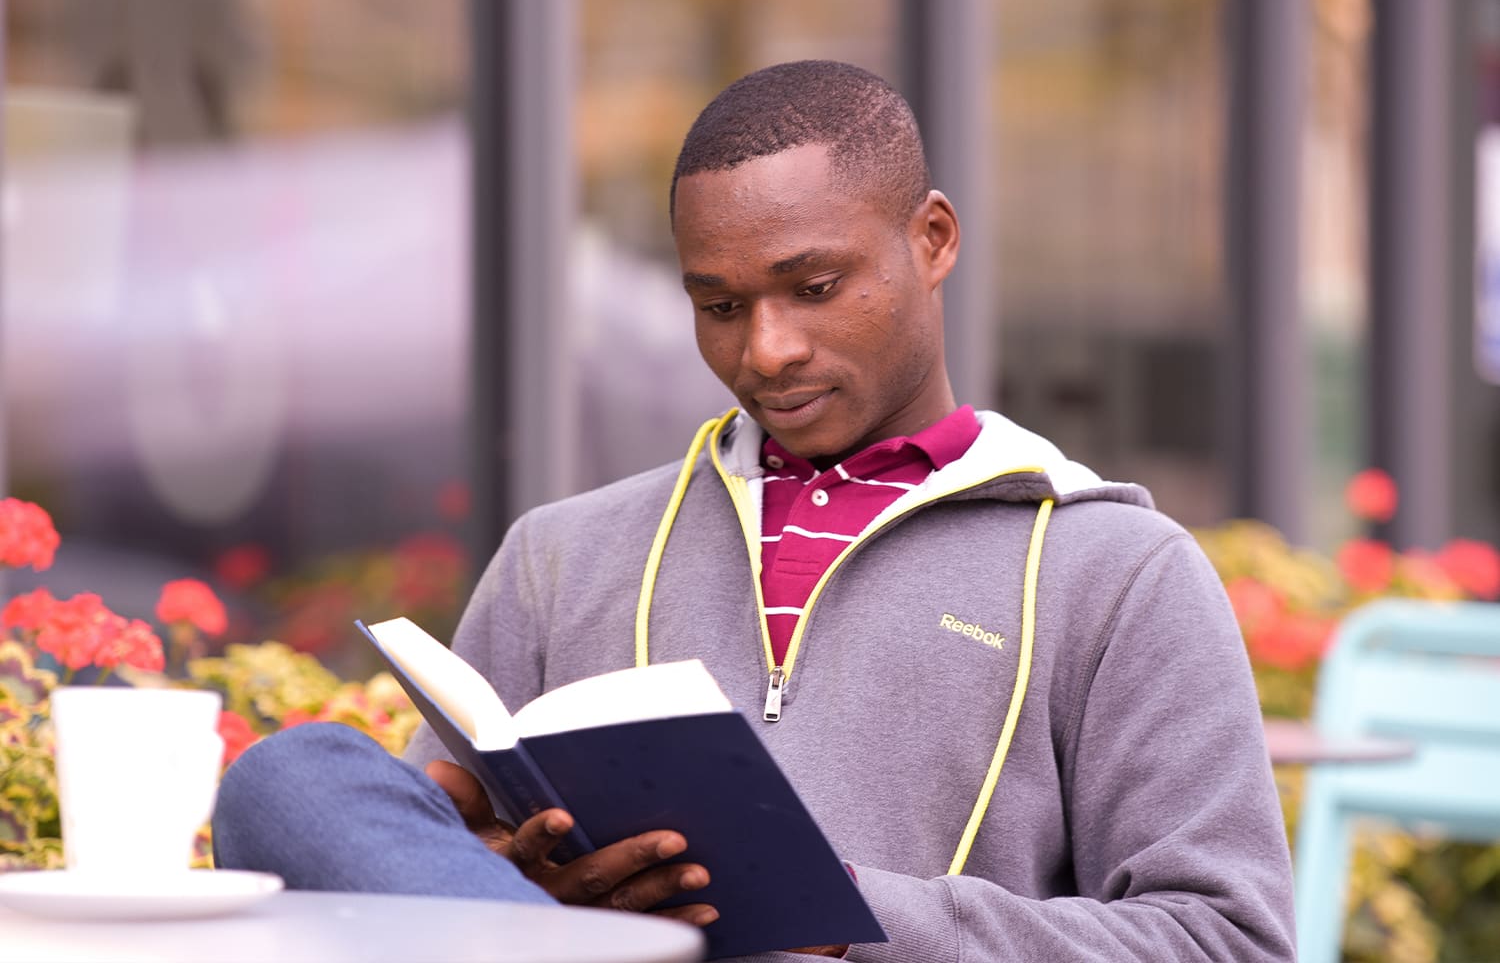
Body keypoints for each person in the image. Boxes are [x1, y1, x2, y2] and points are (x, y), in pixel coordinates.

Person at [213, 60, 1297, 961]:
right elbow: (411, 867)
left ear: (932, 240)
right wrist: (532, 887)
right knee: (292, 777)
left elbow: (1228, 938)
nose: (765, 349)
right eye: (719, 306)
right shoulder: (561, 555)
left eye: (813, 287)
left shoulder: (1116, 570)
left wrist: (853, 914)